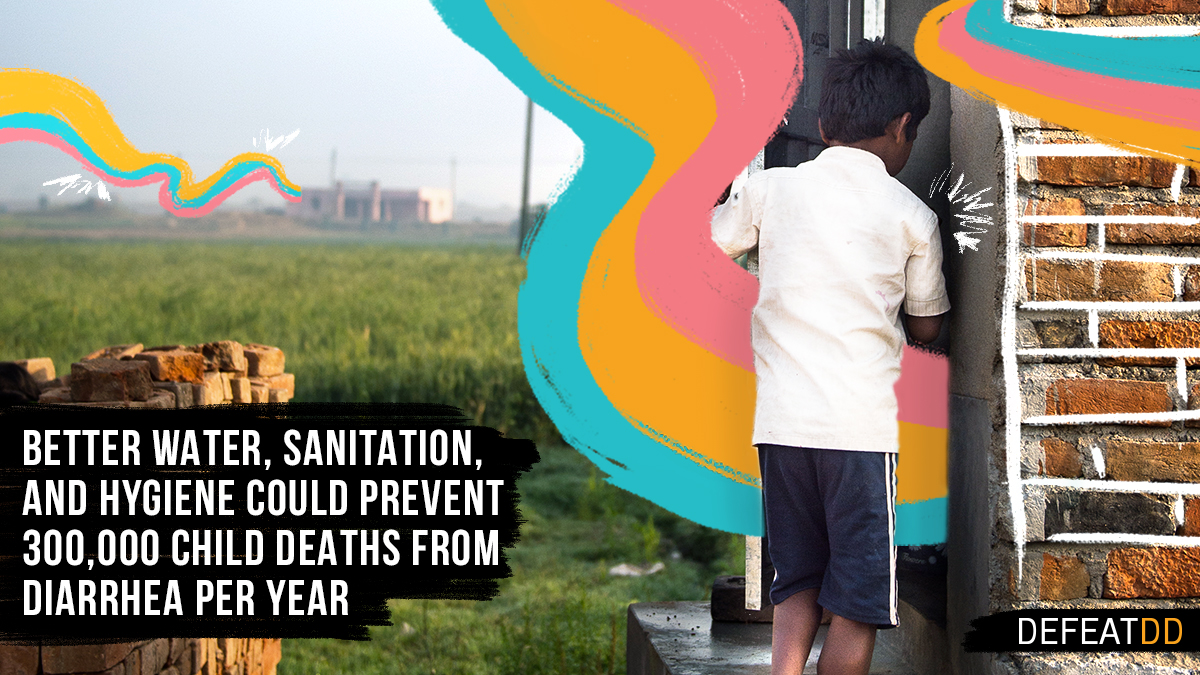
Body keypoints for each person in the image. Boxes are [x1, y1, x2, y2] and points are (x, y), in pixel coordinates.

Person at [711, 39, 949, 675]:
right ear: (904, 128)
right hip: (858, 434)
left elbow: (708, 248)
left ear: (821, 127)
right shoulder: (913, 216)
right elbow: (928, 323)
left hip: (782, 430)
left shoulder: (770, 192)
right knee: (859, 604)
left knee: (797, 588)